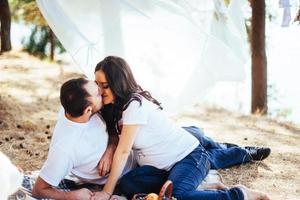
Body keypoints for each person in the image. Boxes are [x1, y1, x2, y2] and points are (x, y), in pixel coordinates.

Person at [92, 56, 270, 200]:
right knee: (128, 184)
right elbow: (117, 136)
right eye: (97, 84)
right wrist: (109, 148)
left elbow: (123, 151)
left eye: (105, 85)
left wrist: (106, 193)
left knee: (179, 196)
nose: (99, 90)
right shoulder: (115, 107)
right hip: (163, 169)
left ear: (117, 83)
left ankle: (239, 194)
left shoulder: (134, 105)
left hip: (188, 157)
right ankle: (197, 185)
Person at [32, 78, 136, 200]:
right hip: (124, 179)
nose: (102, 91)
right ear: (87, 110)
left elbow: (111, 126)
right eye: (98, 93)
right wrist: (70, 195)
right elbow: (38, 189)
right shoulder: (65, 150)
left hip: (132, 152)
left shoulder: (75, 105)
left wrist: (111, 147)